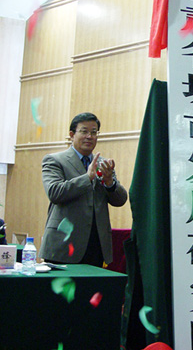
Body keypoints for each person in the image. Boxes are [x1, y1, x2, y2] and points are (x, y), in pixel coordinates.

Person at [40, 112, 127, 267]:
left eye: (94, 132)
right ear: (72, 135)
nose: (89, 136)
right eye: (84, 131)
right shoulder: (55, 160)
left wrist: (110, 183)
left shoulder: (103, 164)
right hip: (64, 244)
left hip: (96, 244)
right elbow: (54, 192)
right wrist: (87, 178)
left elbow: (120, 200)